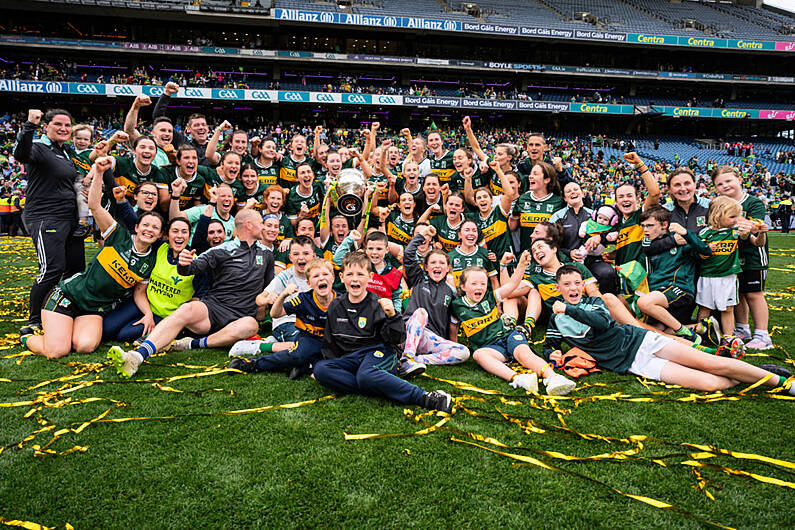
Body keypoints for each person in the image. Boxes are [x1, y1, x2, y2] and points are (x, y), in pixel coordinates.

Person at [545, 265, 793, 394]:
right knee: (710, 383)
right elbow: (550, 343)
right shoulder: (557, 319)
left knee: (711, 363)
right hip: (631, 363)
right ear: (558, 288)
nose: (573, 288)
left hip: (642, 341)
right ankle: (755, 373)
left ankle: (784, 383)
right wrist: (551, 354)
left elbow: (600, 323)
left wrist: (568, 310)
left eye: (577, 283)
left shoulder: (594, 302)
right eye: (567, 284)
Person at [108, 209, 275, 377]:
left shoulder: (267, 254)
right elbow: (190, 269)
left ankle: (190, 344)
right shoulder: (222, 250)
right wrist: (183, 263)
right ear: (249, 225)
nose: (264, 227)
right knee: (188, 308)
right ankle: (136, 357)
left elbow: (269, 286)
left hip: (241, 318)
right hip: (213, 310)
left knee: (251, 325)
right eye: (261, 223)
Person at [23, 157, 162, 357]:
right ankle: (27, 337)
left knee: (85, 346)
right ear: (137, 227)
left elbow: (139, 292)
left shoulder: (151, 260)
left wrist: (148, 314)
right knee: (57, 351)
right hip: (70, 296)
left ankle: (62, 330)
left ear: (159, 235)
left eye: (155, 228)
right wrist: (98, 172)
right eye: (146, 225)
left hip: (95, 308)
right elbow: (95, 206)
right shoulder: (118, 235)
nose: (149, 230)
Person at [312, 251, 454, 413]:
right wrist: (331, 367)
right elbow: (330, 343)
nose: (355, 279)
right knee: (321, 369)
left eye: (360, 274)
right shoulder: (336, 305)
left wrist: (392, 316)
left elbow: (398, 339)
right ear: (342, 277)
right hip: (352, 359)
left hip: (380, 353)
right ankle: (376, 385)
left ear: (370, 277)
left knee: (366, 375)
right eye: (350, 274)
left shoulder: (378, 304)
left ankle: (425, 397)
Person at [451, 250, 577, 395]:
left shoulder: (490, 297)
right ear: (463, 287)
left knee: (523, 354)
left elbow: (511, 286)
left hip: (508, 335)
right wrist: (455, 347)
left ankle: (553, 377)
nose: (479, 287)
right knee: (479, 355)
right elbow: (453, 326)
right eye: (474, 283)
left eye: (483, 284)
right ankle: (519, 379)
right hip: (491, 347)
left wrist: (522, 265)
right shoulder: (457, 305)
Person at [14, 108, 85, 335]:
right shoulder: (40, 148)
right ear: (46, 126)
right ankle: (35, 320)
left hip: (70, 219)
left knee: (75, 269)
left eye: (67, 125)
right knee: (52, 269)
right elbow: (21, 154)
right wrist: (29, 125)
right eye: (58, 125)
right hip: (46, 217)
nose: (64, 129)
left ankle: (60, 311)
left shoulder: (65, 151)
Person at [227, 258, 336, 379]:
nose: (321, 278)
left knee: (333, 357)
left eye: (325, 274)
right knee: (297, 355)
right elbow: (275, 314)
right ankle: (253, 364)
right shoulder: (303, 299)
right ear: (308, 283)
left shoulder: (341, 301)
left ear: (333, 278)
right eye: (315, 276)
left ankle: (306, 366)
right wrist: (283, 295)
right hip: (310, 339)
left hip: (331, 342)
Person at [102, 216, 205, 342]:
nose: (179, 235)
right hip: (143, 303)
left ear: (189, 236)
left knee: (123, 335)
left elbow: (199, 298)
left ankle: (174, 333)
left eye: (184, 232)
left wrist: (178, 321)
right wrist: (122, 201)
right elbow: (139, 226)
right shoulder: (159, 248)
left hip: (164, 316)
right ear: (167, 235)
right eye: (175, 231)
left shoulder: (196, 262)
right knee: (106, 329)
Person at [712, 165, 772, 349]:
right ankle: (742, 328)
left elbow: (755, 225)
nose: (725, 186)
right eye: (719, 184)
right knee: (736, 293)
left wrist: (746, 227)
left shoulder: (752, 202)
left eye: (728, 181)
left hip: (753, 255)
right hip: (732, 257)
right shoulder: (720, 204)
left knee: (754, 293)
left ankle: (763, 335)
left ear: (739, 179)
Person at [398, 226, 470, 377]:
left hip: (430, 340)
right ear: (426, 267)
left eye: (442, 263)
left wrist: (453, 341)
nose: (438, 266)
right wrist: (422, 235)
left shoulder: (451, 291)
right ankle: (407, 357)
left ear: (448, 268)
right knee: (421, 312)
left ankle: (416, 360)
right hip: (409, 332)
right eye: (433, 263)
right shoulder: (418, 279)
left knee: (464, 352)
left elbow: (455, 320)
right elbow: (408, 255)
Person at [636, 206, 713, 344]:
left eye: (650, 225)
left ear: (664, 225)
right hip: (659, 295)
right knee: (654, 333)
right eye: (643, 226)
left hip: (679, 290)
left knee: (644, 302)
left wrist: (686, 233)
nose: (645, 229)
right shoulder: (652, 246)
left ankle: (683, 331)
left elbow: (706, 251)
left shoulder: (681, 241)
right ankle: (701, 328)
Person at [696, 196, 749, 354]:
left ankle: (728, 337)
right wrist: (706, 250)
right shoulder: (705, 233)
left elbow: (745, 236)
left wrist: (747, 231)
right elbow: (698, 255)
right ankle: (702, 334)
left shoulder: (734, 232)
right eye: (732, 216)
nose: (736, 220)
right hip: (707, 276)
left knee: (728, 308)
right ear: (718, 215)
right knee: (705, 307)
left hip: (728, 277)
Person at [612, 152, 660, 267]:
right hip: (621, 276)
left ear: (637, 198)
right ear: (616, 202)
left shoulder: (642, 215)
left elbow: (654, 193)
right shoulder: (615, 222)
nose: (625, 200)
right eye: (621, 197)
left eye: (629, 196)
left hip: (641, 278)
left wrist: (640, 164)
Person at [510, 161, 564, 253]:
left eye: (535, 174)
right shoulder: (523, 199)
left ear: (547, 180)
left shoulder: (558, 202)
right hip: (526, 254)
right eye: (530, 173)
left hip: (548, 254)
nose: (530, 176)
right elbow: (512, 227)